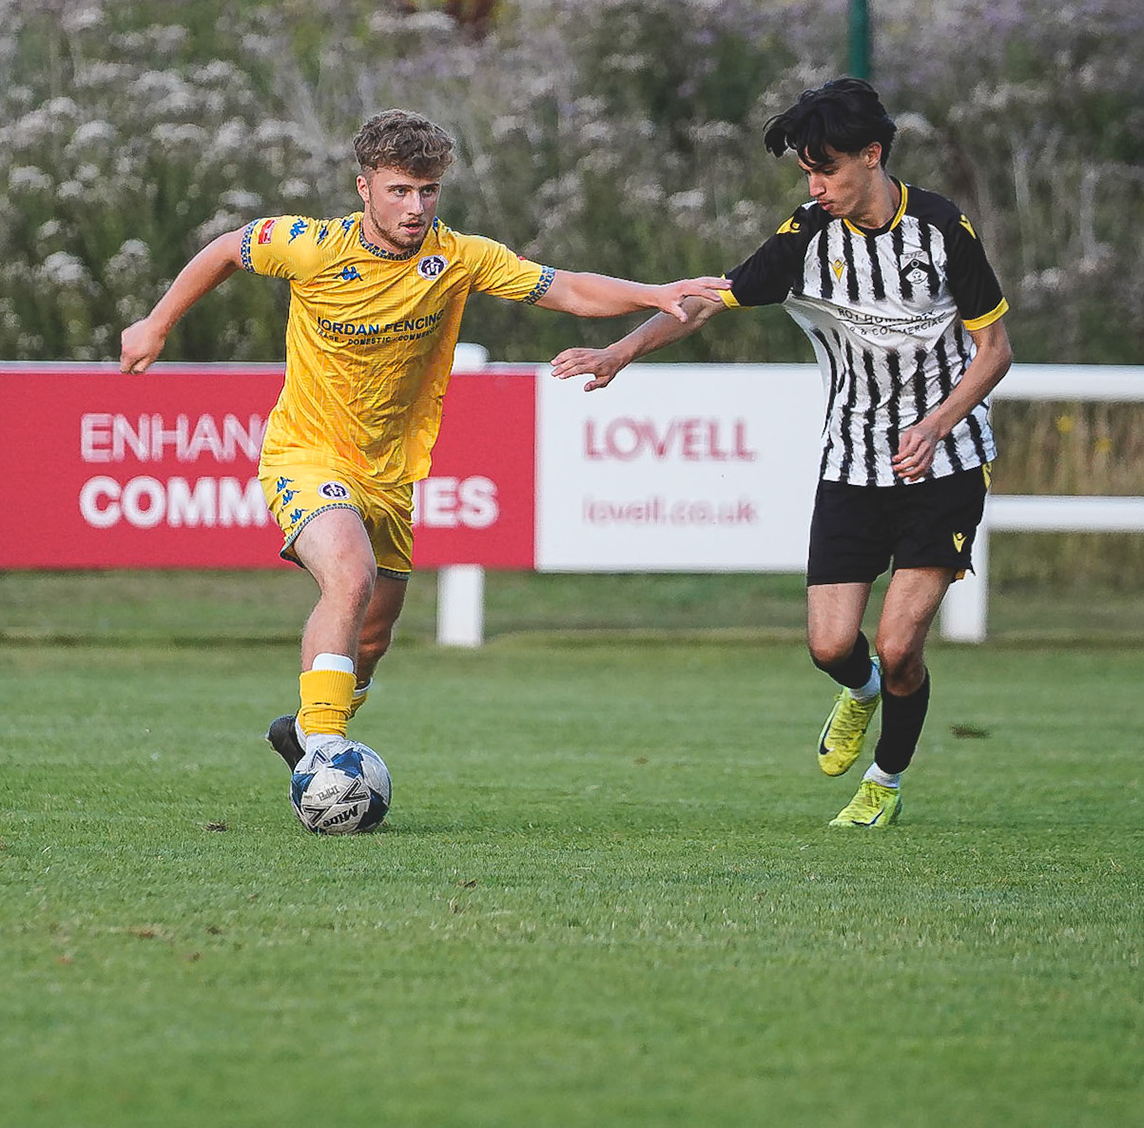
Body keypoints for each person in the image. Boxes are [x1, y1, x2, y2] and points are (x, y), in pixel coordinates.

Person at [119, 108, 727, 784]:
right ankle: (324, 754)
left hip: (390, 474)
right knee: (349, 574)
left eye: (428, 190)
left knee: (373, 638)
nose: (416, 207)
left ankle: (303, 730)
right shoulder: (309, 246)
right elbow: (227, 248)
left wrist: (653, 293)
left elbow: (566, 287)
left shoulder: (460, 258)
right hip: (307, 453)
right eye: (400, 190)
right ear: (364, 188)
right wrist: (156, 322)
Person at [551, 78, 1013, 827]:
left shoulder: (941, 230)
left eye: (827, 169)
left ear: (872, 155)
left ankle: (885, 782)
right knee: (831, 646)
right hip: (852, 463)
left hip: (947, 462)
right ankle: (860, 690)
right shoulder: (807, 238)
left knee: (900, 646)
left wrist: (936, 424)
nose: (815, 186)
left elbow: (994, 351)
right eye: (806, 172)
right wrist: (620, 352)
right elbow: (706, 300)